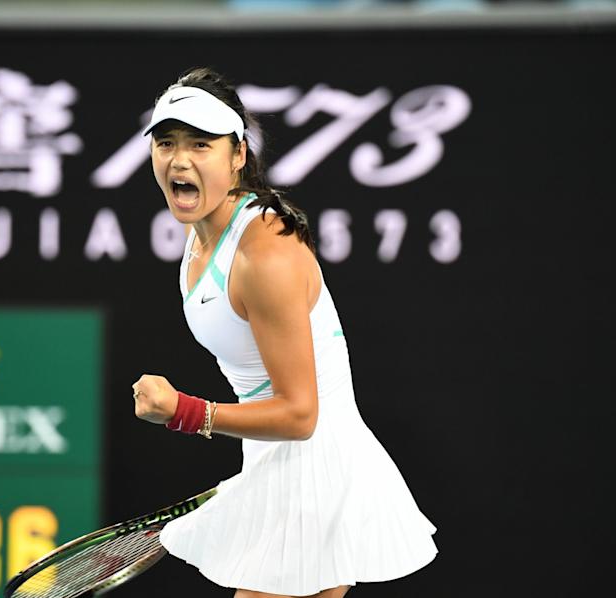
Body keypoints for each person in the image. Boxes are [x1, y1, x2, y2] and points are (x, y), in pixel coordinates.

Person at [131, 67, 437, 598]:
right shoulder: (202, 236)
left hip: (316, 472)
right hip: (281, 465)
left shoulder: (264, 252)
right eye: (166, 142)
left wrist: (185, 411)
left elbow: (300, 413)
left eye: (200, 144)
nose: (179, 159)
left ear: (237, 155)